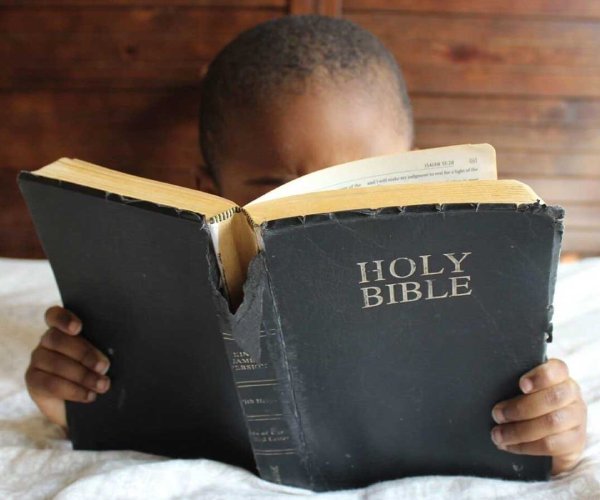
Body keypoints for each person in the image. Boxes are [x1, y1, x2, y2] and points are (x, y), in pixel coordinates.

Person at [25, 15, 586, 476]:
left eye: (362, 185)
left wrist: (551, 433)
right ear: (207, 191)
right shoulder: (165, 299)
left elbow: (538, 428)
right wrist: (71, 398)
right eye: (278, 192)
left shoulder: (465, 289)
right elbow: (111, 409)